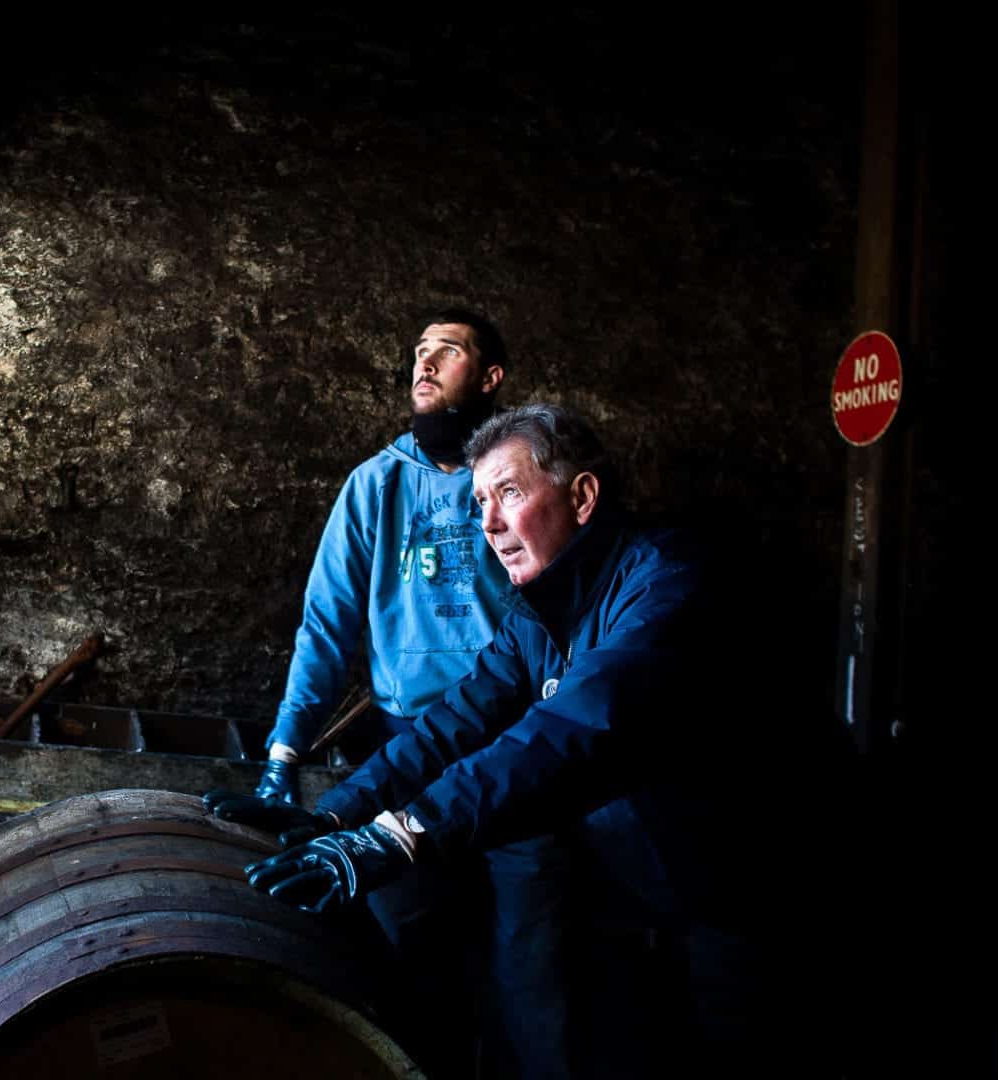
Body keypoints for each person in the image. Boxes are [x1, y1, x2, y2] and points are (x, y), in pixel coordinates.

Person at [211, 403, 845, 1077]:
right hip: (651, 890)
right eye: (480, 500)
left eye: (509, 494)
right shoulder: (541, 614)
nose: (486, 523)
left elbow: (577, 726)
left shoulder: (668, 584)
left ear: (582, 497)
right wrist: (337, 811)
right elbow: (456, 721)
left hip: (754, 900)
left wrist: (401, 834)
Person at [252, 311, 571, 1078]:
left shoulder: (517, 488)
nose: (423, 367)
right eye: (418, 354)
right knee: (410, 958)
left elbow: (555, 620)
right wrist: (284, 754)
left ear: (490, 378)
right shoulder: (376, 486)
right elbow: (326, 628)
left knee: (534, 965)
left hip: (521, 753)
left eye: (447, 353)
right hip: (413, 750)